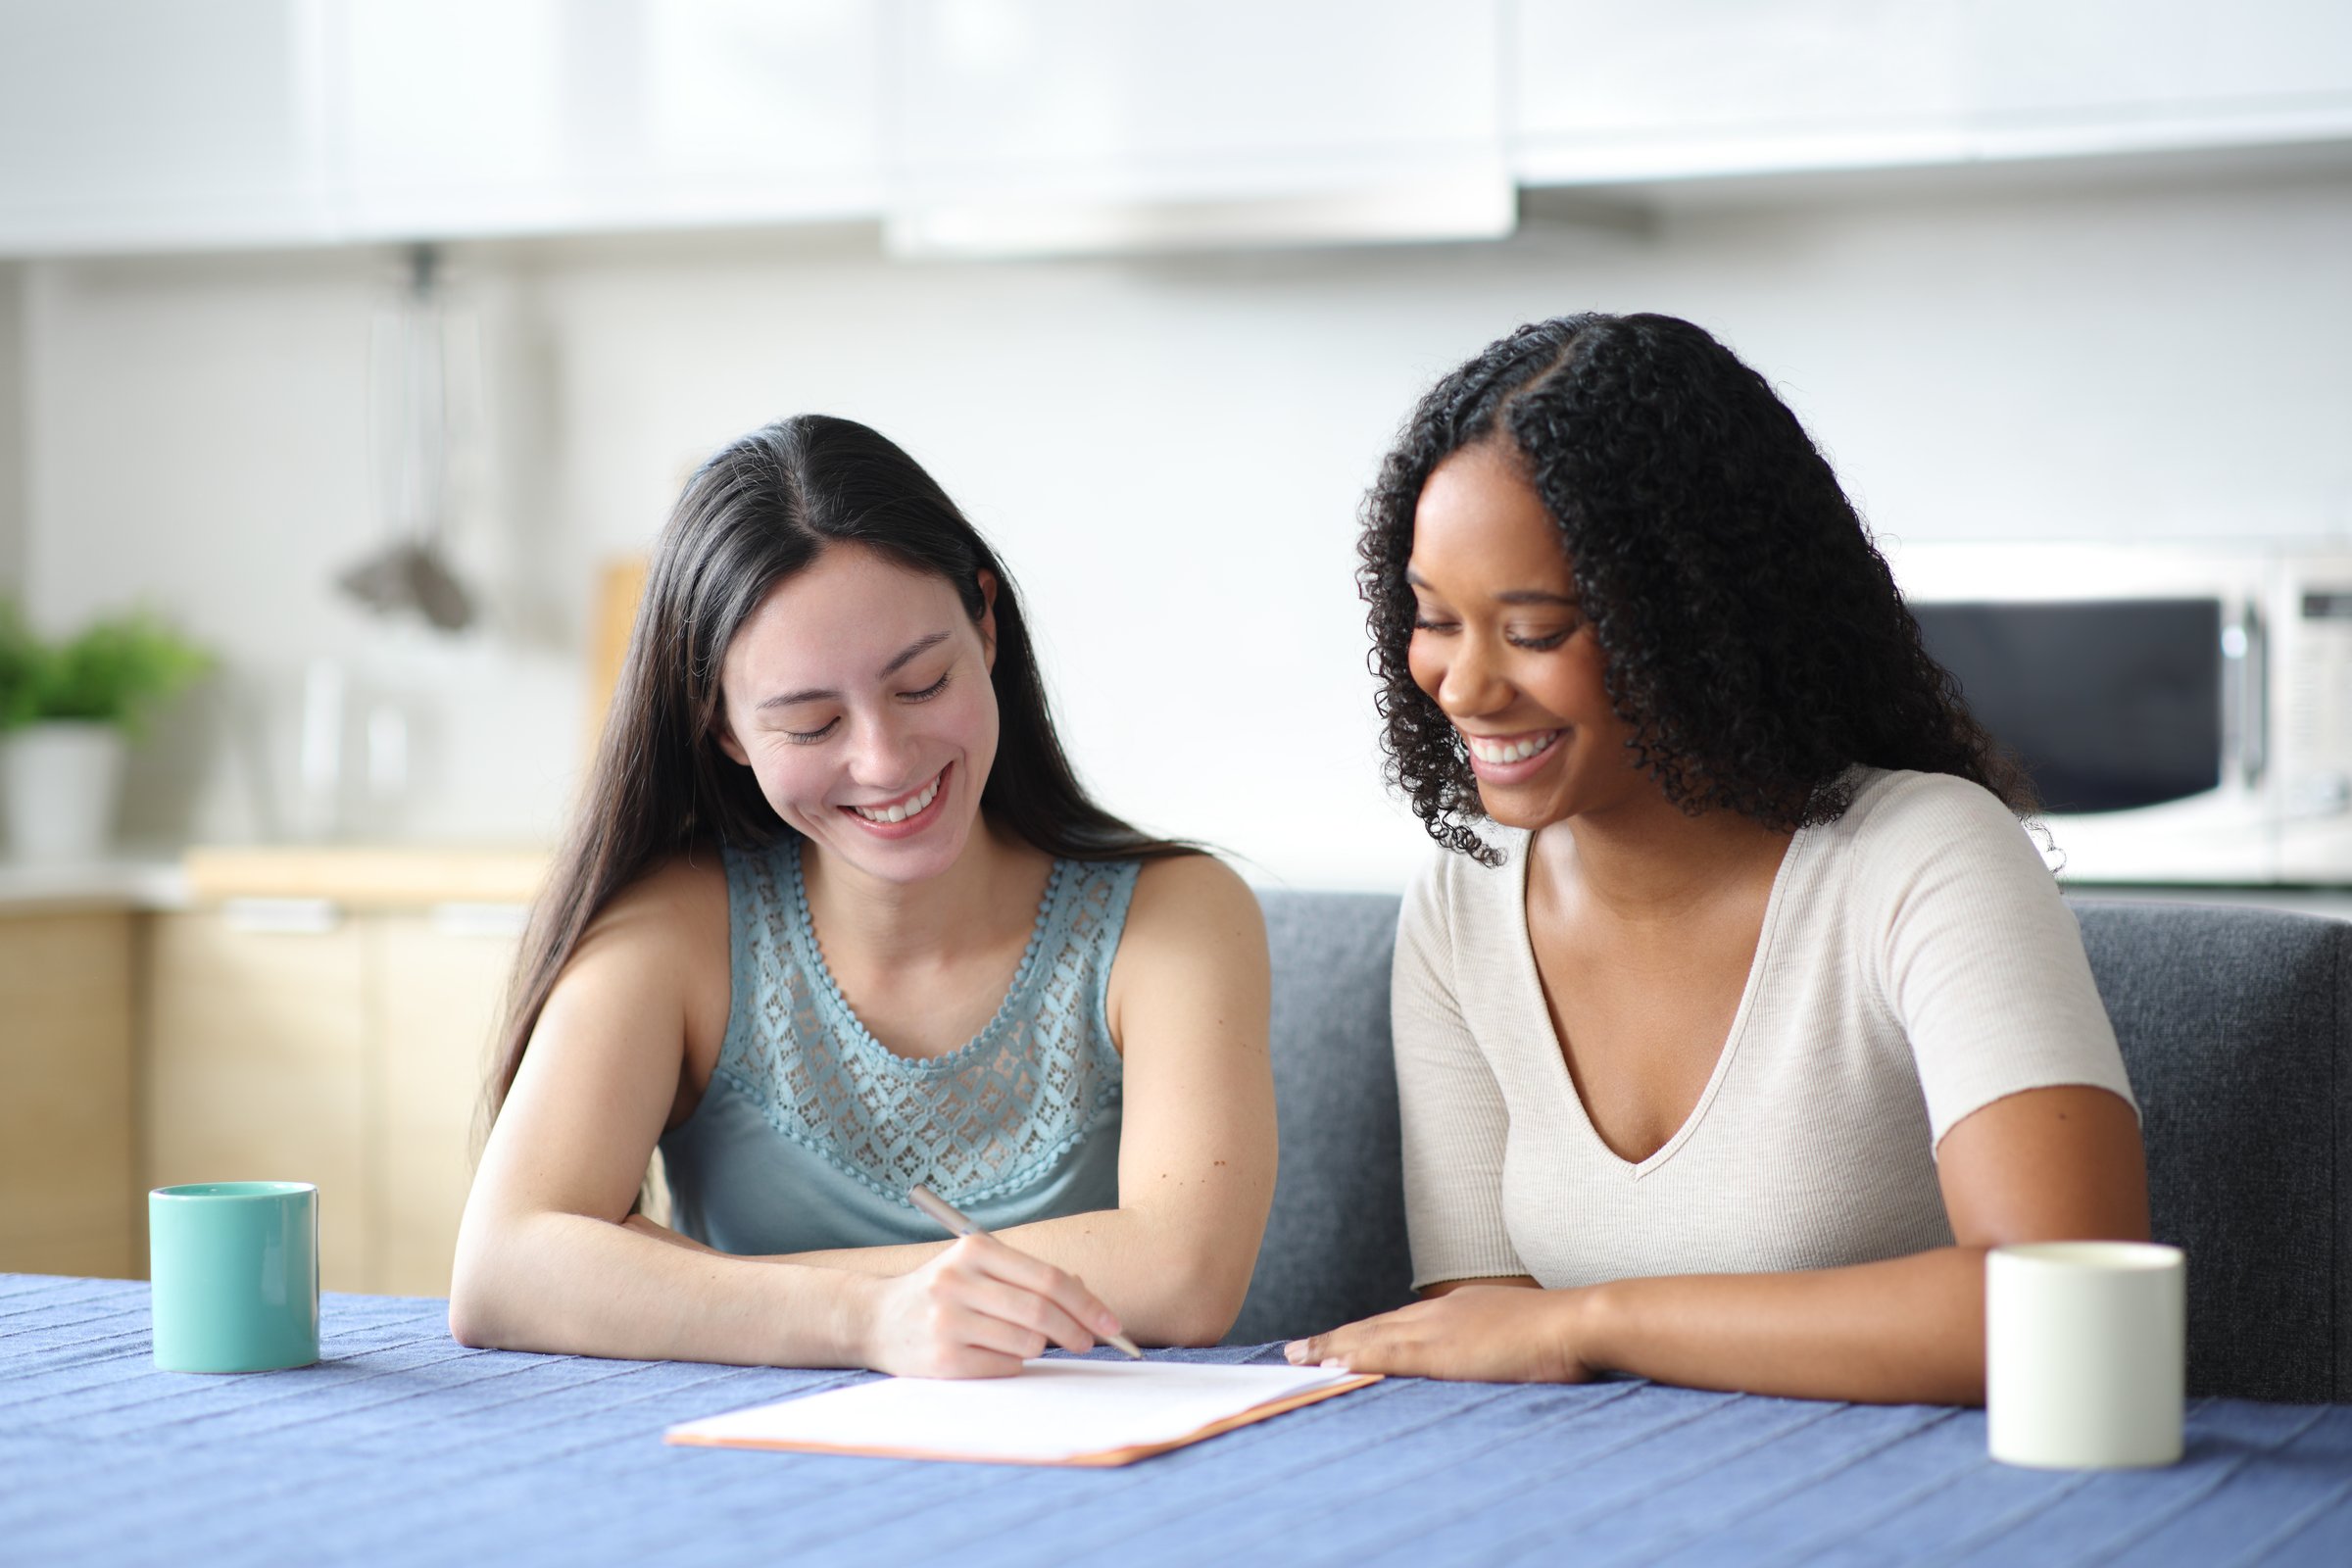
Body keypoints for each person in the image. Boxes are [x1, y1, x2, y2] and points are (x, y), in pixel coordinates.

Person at [1290, 314, 2146, 1403]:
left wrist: (1592, 1320)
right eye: (1433, 620)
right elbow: (1486, 1340)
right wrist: (1557, 1335)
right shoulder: (1464, 904)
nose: (1463, 685)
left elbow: (2065, 1307)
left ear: (1695, 622)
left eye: (1535, 631)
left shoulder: (1925, 858)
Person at [450, 415, 1274, 1377]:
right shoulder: (678, 929)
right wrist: (865, 1319)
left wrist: (693, 1287)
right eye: (810, 724)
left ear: (986, 624)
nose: (884, 761)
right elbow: (503, 1271)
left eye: (921, 684)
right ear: (723, 727)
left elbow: (1184, 1276)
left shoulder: (1174, 917)